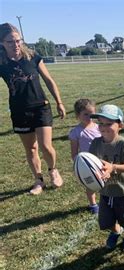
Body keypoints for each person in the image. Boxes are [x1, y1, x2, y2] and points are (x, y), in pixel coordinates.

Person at [0, 23, 65, 195]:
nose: (16, 45)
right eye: (10, 42)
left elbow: (49, 80)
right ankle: (38, 180)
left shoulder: (32, 56)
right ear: (2, 43)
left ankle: (53, 170)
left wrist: (59, 102)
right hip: (19, 111)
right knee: (31, 149)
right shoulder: (2, 62)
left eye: (18, 40)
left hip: (40, 107)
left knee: (45, 146)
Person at [89, 104, 124, 251]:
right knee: (106, 220)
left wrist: (113, 167)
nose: (103, 127)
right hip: (105, 192)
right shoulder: (96, 143)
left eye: (109, 123)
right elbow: (91, 163)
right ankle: (116, 231)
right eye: (101, 123)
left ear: (120, 125)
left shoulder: (123, 143)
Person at [68, 98, 101, 214]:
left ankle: (107, 201)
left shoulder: (99, 128)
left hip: (101, 161)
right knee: (91, 185)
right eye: (85, 114)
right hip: (88, 165)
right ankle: (93, 204)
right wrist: (79, 165)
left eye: (92, 114)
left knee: (106, 183)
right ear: (78, 115)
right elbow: (74, 152)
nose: (89, 117)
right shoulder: (76, 132)